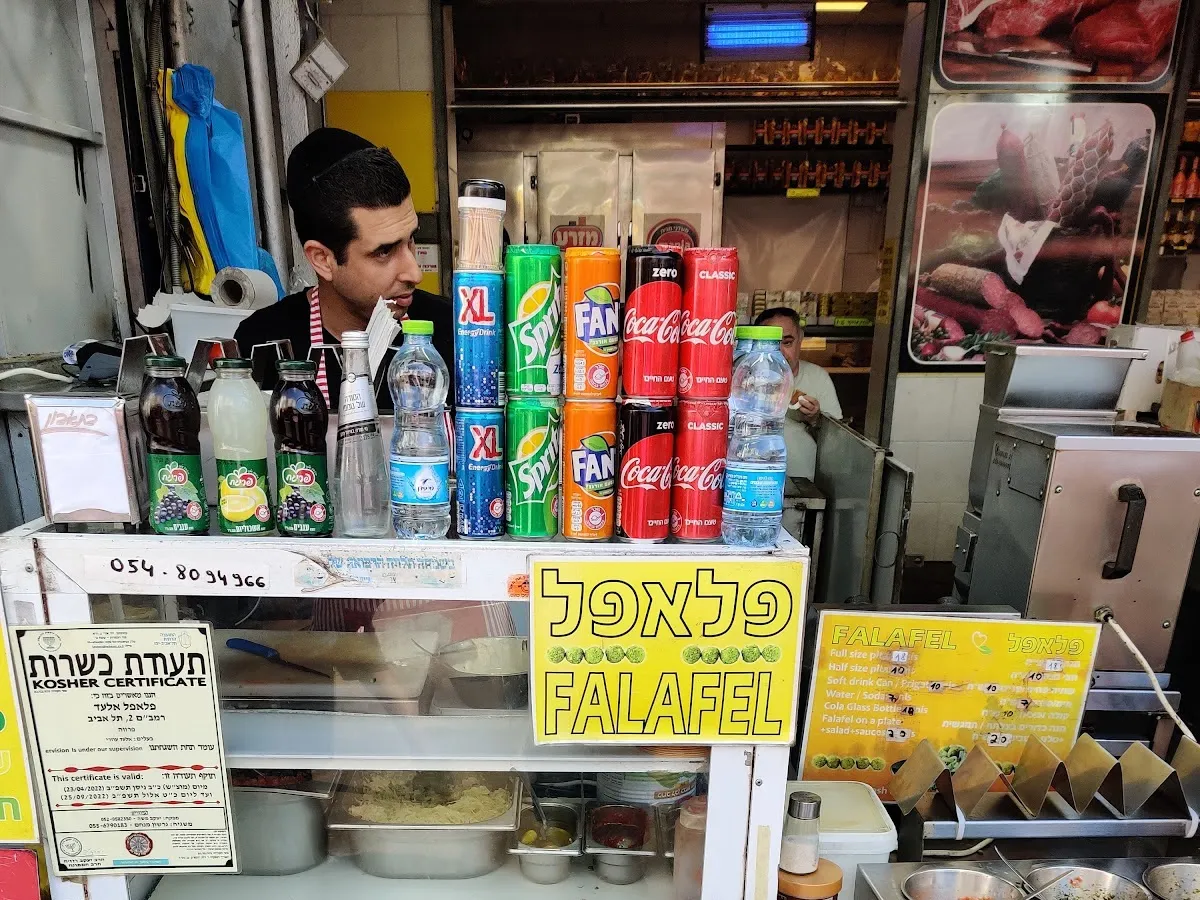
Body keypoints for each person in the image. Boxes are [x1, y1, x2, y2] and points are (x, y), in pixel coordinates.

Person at [234, 127, 453, 410]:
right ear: (323, 259)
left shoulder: (455, 334)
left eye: (410, 240)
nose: (415, 273)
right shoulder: (262, 345)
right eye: (384, 251)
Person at [754, 307, 842, 480]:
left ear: (800, 339)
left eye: (787, 343)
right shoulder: (743, 380)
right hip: (752, 480)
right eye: (771, 344)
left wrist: (815, 419)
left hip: (805, 484)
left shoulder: (817, 377)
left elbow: (838, 446)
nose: (779, 353)